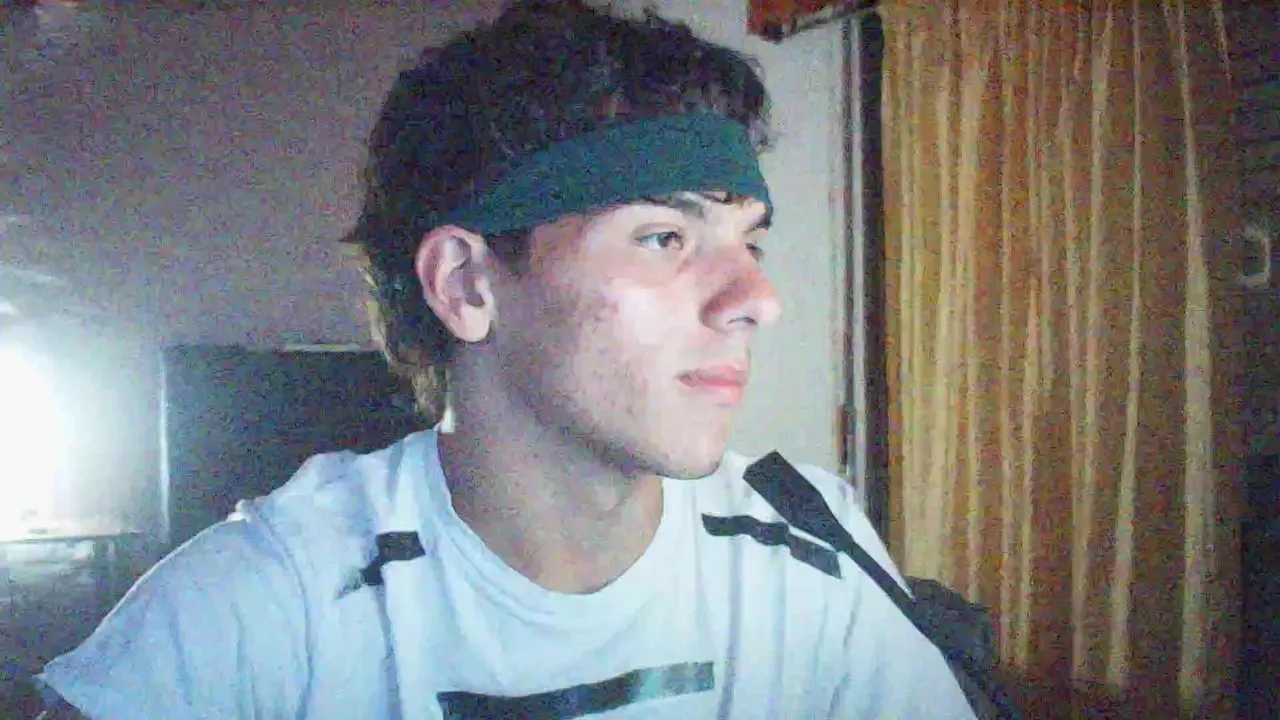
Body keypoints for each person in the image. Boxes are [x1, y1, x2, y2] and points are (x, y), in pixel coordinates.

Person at [35, 1, 975, 717]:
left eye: (750, 243)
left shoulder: (811, 555)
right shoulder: (261, 609)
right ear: (468, 285)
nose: (758, 299)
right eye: (664, 238)